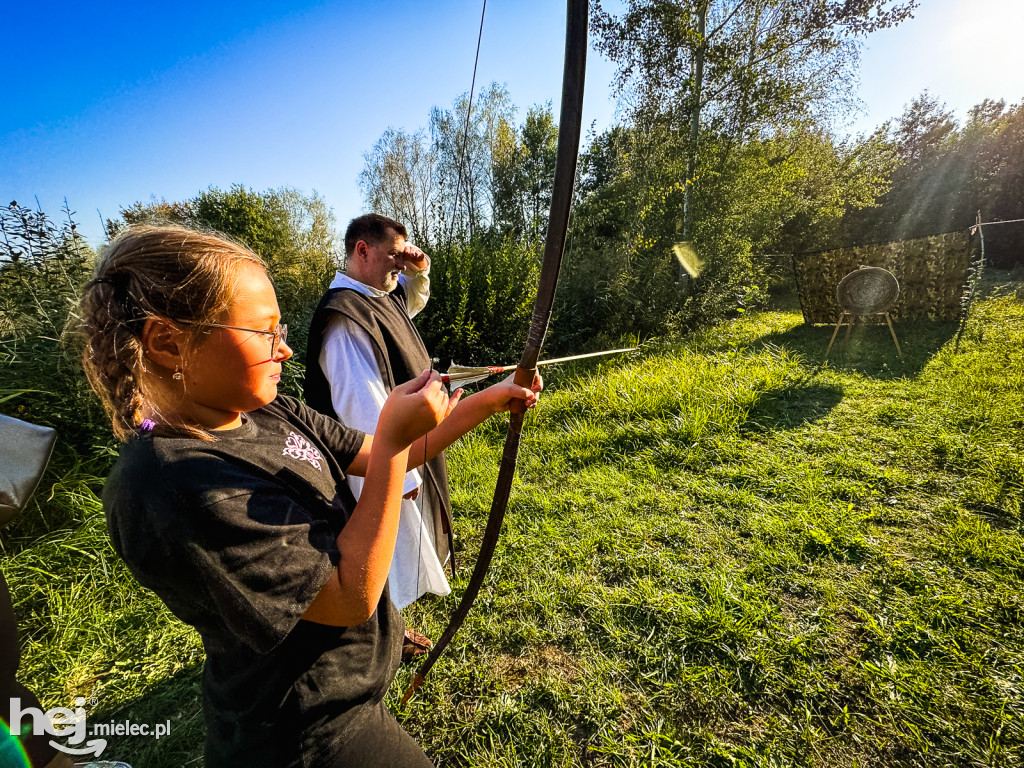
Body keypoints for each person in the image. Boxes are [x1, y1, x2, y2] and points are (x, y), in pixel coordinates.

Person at [78, 225, 540, 768]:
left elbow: (382, 453)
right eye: (264, 332)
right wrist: (393, 441)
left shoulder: (266, 411)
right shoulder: (170, 482)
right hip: (303, 733)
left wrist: (484, 402)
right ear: (167, 342)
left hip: (348, 696)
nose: (287, 348)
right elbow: (349, 595)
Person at [304, 214, 448, 657]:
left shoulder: (377, 297)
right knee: (383, 552)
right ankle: (382, 639)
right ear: (361, 251)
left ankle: (390, 629)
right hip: (374, 460)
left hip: (398, 449)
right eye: (392, 256)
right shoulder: (345, 315)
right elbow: (358, 402)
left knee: (401, 547)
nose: (398, 268)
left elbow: (411, 305)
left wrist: (418, 269)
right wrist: (396, 474)